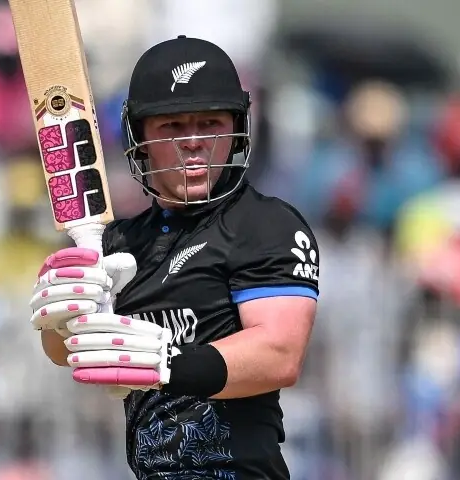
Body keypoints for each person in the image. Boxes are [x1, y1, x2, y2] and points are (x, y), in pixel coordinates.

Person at [30, 35, 319, 480]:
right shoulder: (119, 241)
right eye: (172, 128)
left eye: (209, 124)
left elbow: (279, 354)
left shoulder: (266, 225)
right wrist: (60, 318)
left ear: (236, 129)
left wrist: (165, 363)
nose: (194, 143)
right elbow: (69, 351)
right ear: (140, 139)